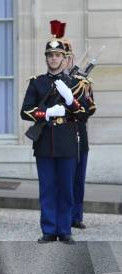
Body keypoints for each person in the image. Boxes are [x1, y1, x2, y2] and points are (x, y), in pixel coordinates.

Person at [20, 20, 87, 244]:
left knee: (67, 188)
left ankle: (65, 229)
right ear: (46, 58)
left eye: (58, 55)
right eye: (50, 55)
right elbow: (25, 111)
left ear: (64, 58)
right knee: (48, 188)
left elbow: (84, 113)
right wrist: (47, 113)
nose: (54, 59)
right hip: (45, 141)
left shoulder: (76, 83)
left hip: (67, 140)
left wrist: (70, 99)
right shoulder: (37, 83)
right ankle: (49, 229)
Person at [60, 26, 97, 230]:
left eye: (68, 57)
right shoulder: (54, 81)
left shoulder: (82, 82)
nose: (66, 60)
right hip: (60, 135)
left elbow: (90, 108)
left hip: (79, 133)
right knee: (62, 180)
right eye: (63, 57)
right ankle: (63, 215)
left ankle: (76, 216)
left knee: (78, 178)